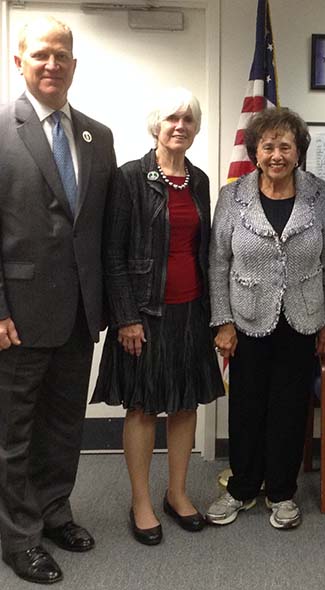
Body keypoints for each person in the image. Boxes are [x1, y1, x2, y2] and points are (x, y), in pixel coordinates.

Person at [0, 16, 117, 585]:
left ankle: (53, 512)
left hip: (78, 314)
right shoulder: (1, 127)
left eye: (62, 56)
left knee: (65, 425)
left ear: (75, 65)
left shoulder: (98, 134)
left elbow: (96, 231)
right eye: (41, 55)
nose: (53, 64)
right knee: (13, 431)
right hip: (17, 316)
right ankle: (18, 537)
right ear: (18, 60)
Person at [92, 88, 224, 545]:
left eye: (189, 119)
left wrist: (213, 313)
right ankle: (141, 501)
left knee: (186, 403)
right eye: (172, 119)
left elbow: (204, 250)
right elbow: (112, 253)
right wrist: (126, 316)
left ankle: (178, 493)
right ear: (156, 125)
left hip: (192, 309)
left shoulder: (201, 180)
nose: (180, 126)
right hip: (145, 314)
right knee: (144, 406)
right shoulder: (130, 177)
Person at [206, 107, 325, 530]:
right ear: (255, 151)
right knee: (246, 405)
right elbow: (217, 263)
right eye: (269, 145)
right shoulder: (233, 196)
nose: (277, 154)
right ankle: (243, 488)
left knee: (289, 407)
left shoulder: (319, 194)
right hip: (245, 319)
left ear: (299, 151)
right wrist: (222, 321)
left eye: (286, 145)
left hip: (302, 319)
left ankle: (281, 493)